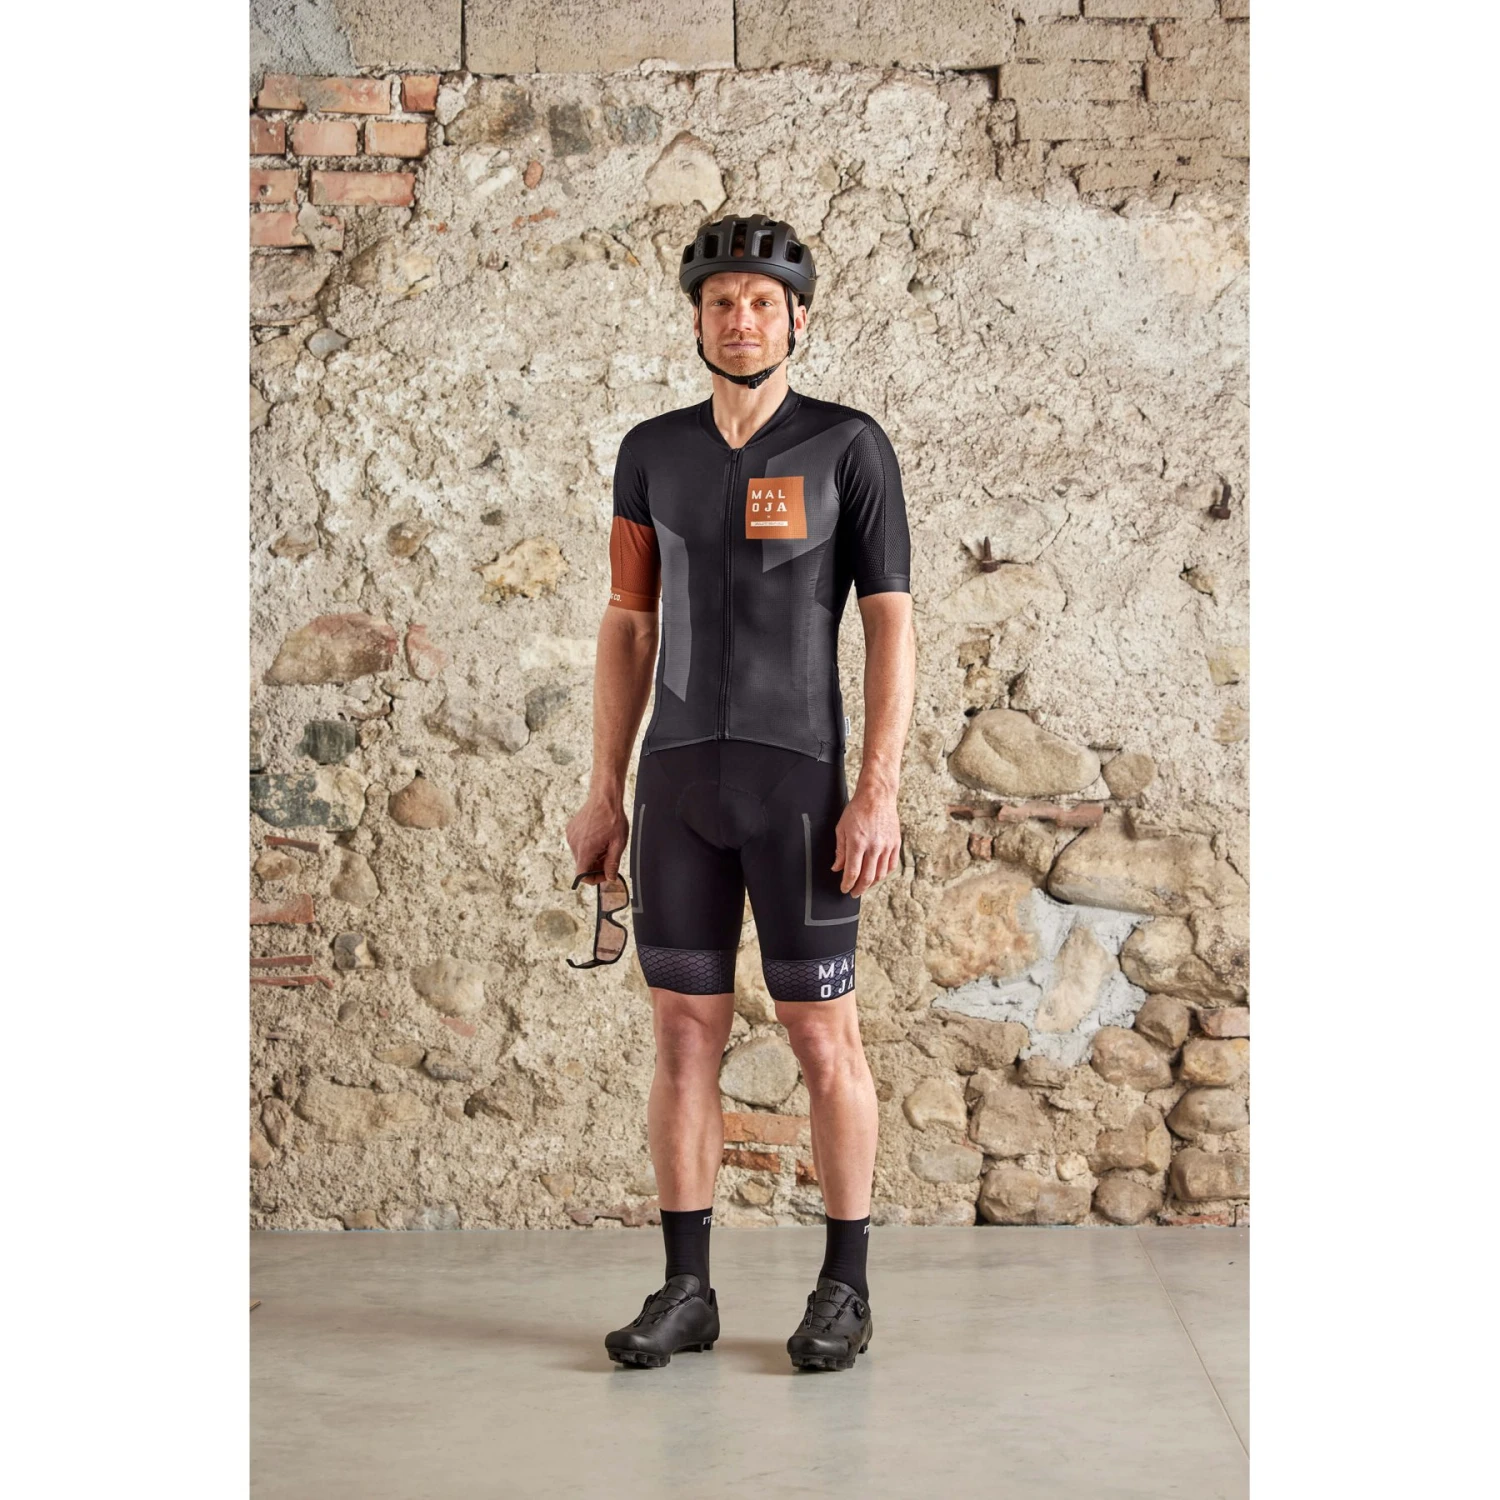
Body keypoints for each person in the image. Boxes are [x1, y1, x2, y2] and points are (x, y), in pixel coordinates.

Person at [565, 213, 916, 1373]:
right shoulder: (651, 452)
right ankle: (687, 1290)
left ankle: (845, 1289)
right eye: (722, 300)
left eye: (764, 301)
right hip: (678, 784)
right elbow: (629, 621)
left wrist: (877, 789)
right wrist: (603, 790)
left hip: (799, 783)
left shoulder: (848, 447)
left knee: (823, 1035)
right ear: (697, 318)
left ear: (798, 320)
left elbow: (891, 625)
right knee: (681, 1033)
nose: (742, 317)